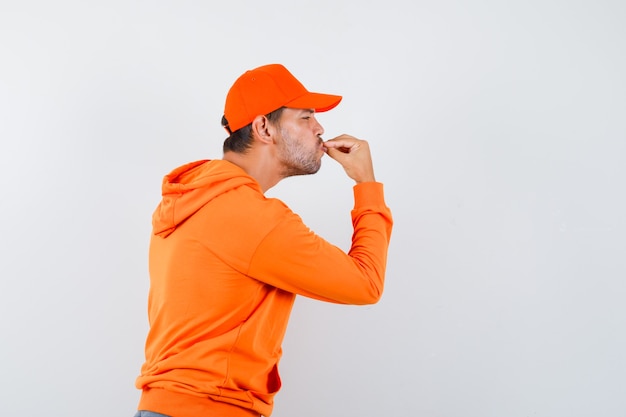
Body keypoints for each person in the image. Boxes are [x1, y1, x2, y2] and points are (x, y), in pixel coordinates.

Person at [134, 63, 393, 417]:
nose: (320, 129)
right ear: (263, 128)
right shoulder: (249, 216)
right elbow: (365, 283)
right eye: (305, 117)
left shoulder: (192, 198)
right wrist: (367, 185)